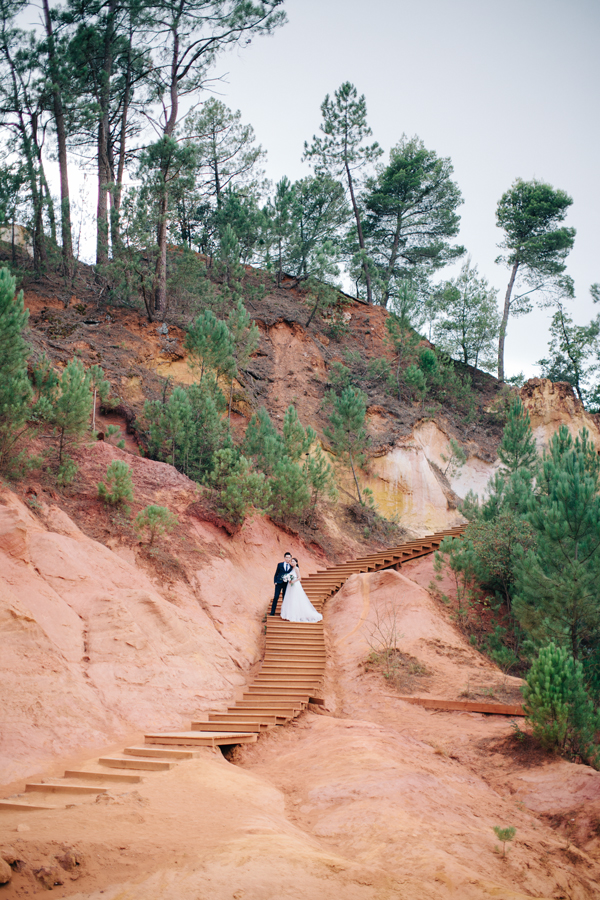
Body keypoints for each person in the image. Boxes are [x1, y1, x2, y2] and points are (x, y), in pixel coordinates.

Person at [280, 558, 323, 623]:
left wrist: (293, 581)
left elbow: (299, 577)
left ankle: (295, 615)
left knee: (295, 598)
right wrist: (288, 579)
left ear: (296, 562)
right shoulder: (291, 569)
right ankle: (289, 614)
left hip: (295, 584)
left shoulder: (296, 568)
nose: (292, 562)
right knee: (290, 598)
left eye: (294, 561)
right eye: (292, 561)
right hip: (290, 585)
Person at [270, 551, 293, 616]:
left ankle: (284, 613)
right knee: (276, 597)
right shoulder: (280, 564)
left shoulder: (291, 567)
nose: (287, 559)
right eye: (286, 557)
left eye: (289, 557)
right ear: (284, 557)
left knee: (284, 598)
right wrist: (275, 581)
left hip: (286, 584)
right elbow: (276, 574)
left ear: (290, 558)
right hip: (279, 583)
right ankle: (272, 612)